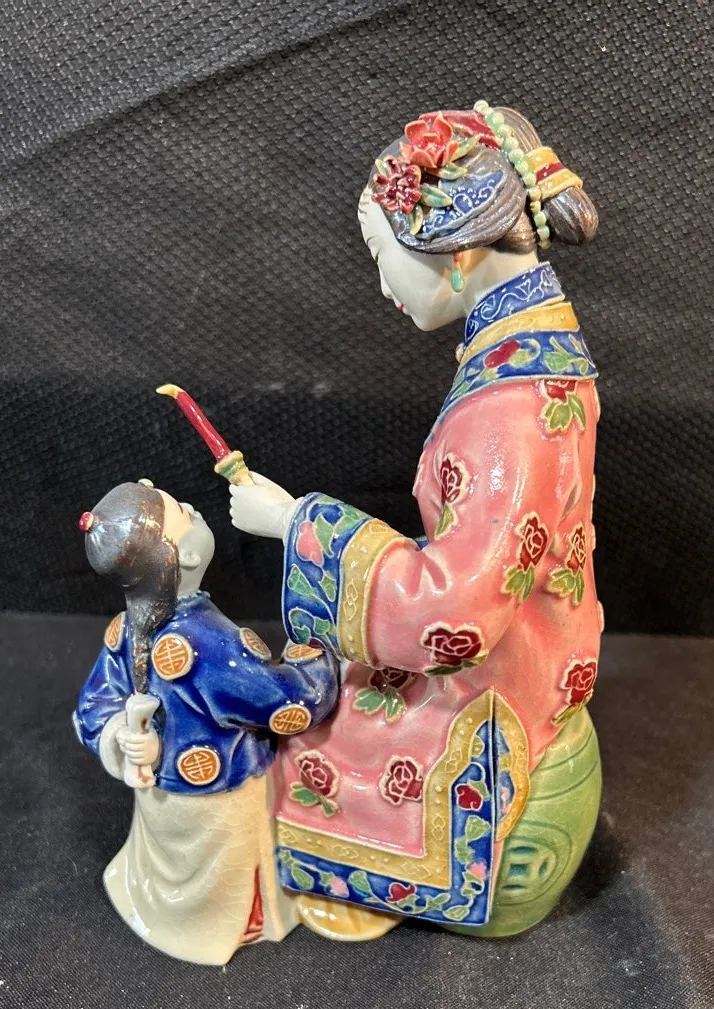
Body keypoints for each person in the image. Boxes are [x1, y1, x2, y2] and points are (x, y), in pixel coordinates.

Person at [229, 102, 602, 939]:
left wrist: (295, 523)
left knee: (290, 746)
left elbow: (454, 611)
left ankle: (406, 872)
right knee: (313, 687)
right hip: (531, 644)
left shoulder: (511, 406)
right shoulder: (531, 352)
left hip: (494, 685)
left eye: (381, 259)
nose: (383, 288)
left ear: (457, 254)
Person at [74, 481, 338, 964]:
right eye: (184, 511)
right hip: (220, 797)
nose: (193, 507)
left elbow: (92, 707)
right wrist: (318, 660)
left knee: (174, 868)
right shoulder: (205, 641)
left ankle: (163, 912)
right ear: (187, 556)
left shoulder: (126, 630)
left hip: (162, 799)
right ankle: (231, 924)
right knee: (228, 871)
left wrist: (115, 734)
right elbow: (285, 703)